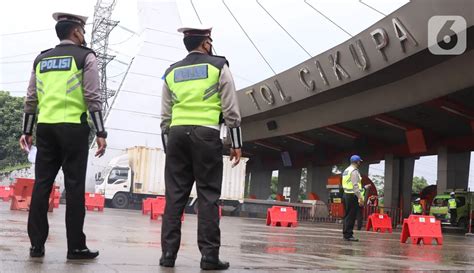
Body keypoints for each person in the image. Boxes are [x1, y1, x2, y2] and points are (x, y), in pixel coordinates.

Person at [19, 12, 107, 259]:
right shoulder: (85, 56)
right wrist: (100, 131)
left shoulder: (41, 59)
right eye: (83, 31)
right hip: (72, 129)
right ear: (77, 32)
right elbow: (92, 96)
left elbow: (30, 98)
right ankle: (76, 247)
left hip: (45, 128)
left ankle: (36, 246)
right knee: (75, 187)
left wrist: (27, 130)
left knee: (42, 186)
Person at [159, 25, 242, 270]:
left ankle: (168, 255)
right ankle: (209, 257)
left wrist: (169, 147)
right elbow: (230, 109)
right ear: (206, 43)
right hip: (206, 134)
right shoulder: (218, 66)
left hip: (175, 135)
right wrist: (236, 143)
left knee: (174, 196)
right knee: (207, 196)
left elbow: (165, 115)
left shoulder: (171, 72)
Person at [342, 155, 364, 241]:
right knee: (351, 215)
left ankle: (345, 233)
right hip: (352, 195)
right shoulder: (354, 171)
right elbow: (355, 185)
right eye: (359, 161)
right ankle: (348, 235)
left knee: (347, 215)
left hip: (346, 194)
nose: (360, 163)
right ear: (357, 162)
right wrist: (360, 197)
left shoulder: (346, 170)